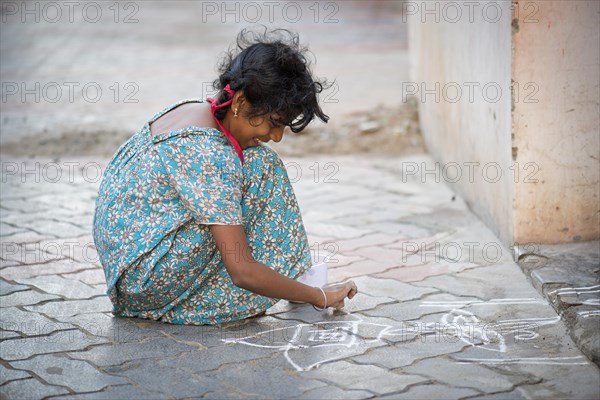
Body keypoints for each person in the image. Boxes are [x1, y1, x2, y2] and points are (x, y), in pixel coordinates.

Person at [92, 28, 358, 325]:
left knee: (255, 164)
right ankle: (301, 286)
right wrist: (318, 297)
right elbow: (241, 271)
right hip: (146, 283)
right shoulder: (212, 155)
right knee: (263, 168)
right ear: (241, 102)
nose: (277, 136)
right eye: (273, 122)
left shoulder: (194, 110)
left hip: (128, 270)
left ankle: (293, 280)